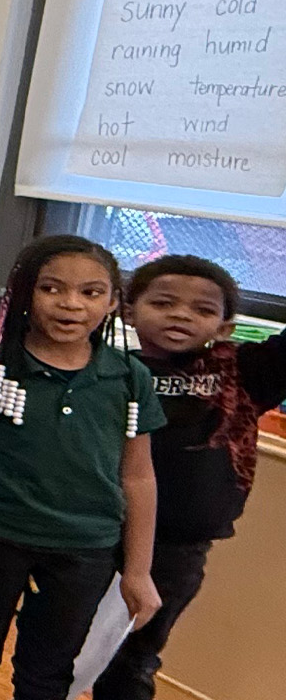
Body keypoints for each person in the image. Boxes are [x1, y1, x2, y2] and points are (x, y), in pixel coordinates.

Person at [0, 236, 163, 700]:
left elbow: (138, 475)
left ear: (113, 301)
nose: (71, 305)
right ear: (25, 294)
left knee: (48, 669)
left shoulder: (128, 378)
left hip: (85, 549)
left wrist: (138, 571)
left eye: (91, 292)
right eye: (52, 288)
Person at [91, 256, 286, 700]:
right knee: (63, 645)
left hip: (176, 547)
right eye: (163, 302)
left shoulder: (242, 374)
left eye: (202, 310)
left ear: (224, 327)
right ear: (127, 309)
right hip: (94, 534)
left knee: (135, 656)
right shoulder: (103, 369)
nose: (181, 314)